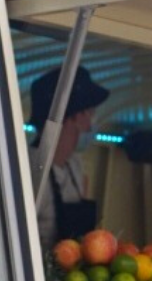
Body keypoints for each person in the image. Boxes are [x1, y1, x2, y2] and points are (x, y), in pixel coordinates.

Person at [30, 63, 109, 252]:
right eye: (90, 114)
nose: (91, 126)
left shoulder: (75, 166)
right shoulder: (29, 167)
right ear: (74, 116)